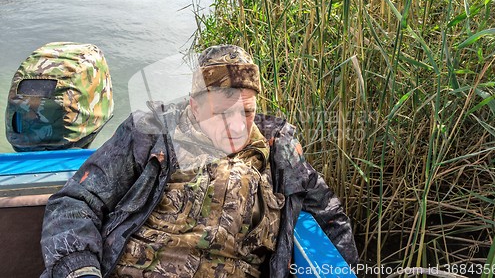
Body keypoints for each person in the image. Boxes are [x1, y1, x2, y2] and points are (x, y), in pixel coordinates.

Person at [40, 45, 358, 278]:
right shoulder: (149, 133)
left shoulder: (279, 149)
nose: (237, 126)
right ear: (194, 106)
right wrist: (78, 270)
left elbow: (329, 213)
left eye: (247, 112)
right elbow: (76, 201)